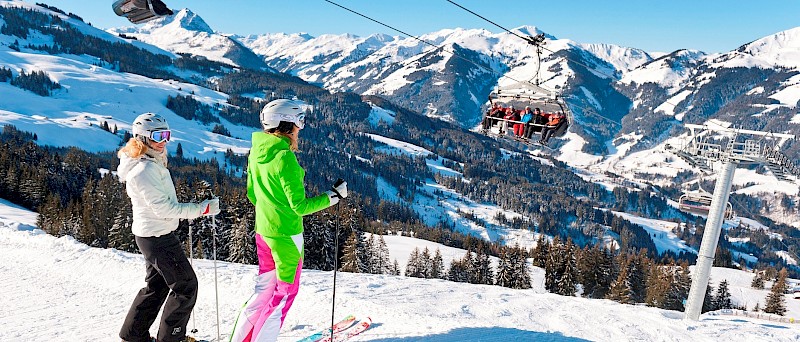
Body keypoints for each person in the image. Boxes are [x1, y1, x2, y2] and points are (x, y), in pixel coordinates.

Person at [230, 99, 347, 342]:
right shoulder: (285, 159)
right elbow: (300, 206)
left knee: (262, 292)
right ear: (287, 125)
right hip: (287, 237)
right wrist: (332, 196)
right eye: (299, 122)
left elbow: (253, 194)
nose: (300, 129)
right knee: (283, 295)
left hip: (264, 231)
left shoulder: (257, 152)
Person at [118, 113, 221, 342]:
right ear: (142, 138)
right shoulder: (144, 170)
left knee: (157, 286)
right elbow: (165, 209)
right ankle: (171, 339)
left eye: (167, 135)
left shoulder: (149, 161)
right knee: (186, 286)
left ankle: (133, 336)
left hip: (151, 234)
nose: (164, 141)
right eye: (158, 136)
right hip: (157, 237)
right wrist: (202, 209)